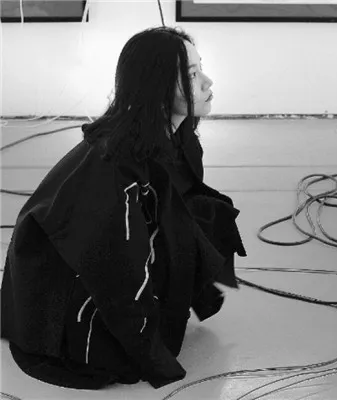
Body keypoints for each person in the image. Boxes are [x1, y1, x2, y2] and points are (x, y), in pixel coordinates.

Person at [1, 26, 247, 390]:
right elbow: (115, 268)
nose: (208, 82)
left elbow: (181, 205)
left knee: (208, 212)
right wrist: (151, 353)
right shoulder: (116, 167)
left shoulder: (173, 137)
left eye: (201, 69)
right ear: (157, 86)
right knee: (116, 354)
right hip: (59, 288)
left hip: (107, 251)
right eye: (192, 74)